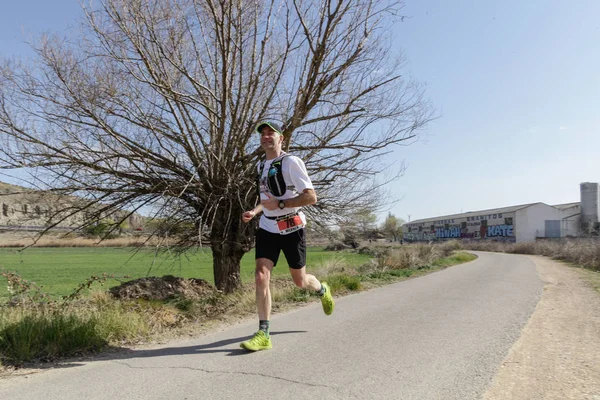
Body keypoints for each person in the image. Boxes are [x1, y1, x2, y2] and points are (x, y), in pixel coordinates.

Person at [240, 121, 334, 351]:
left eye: (271, 132)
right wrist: (255, 211)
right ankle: (264, 333)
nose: (266, 136)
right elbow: (266, 201)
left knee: (300, 281)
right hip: (267, 227)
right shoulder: (261, 166)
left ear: (282, 138)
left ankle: (322, 289)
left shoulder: (291, 162)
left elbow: (311, 197)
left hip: (292, 228)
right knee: (261, 276)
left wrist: (281, 203)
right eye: (262, 133)